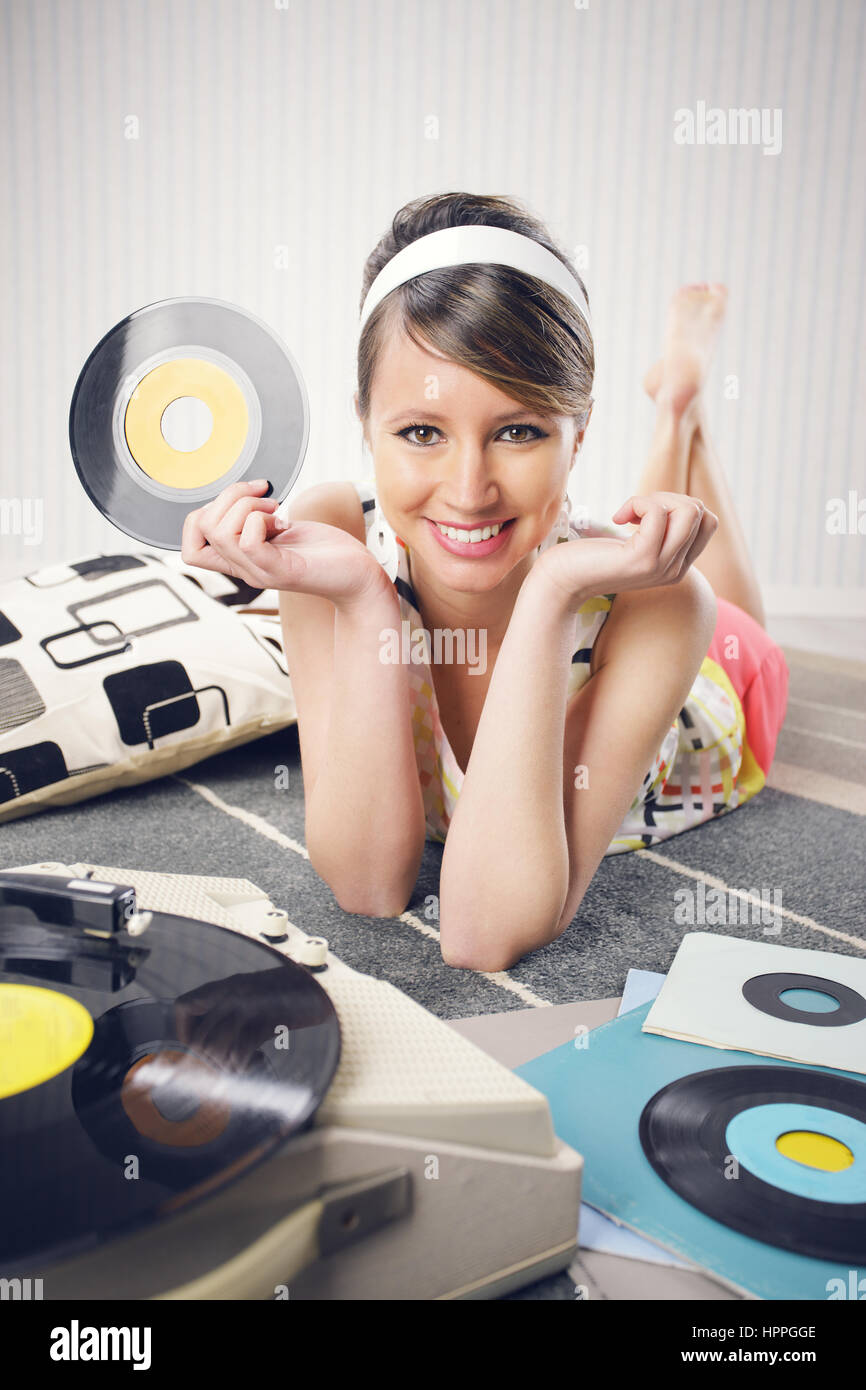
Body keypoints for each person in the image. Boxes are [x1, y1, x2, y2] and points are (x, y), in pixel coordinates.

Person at [181, 192, 789, 974]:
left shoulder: (663, 606)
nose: (469, 490)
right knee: (653, 543)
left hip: (709, 674)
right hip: (592, 571)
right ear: (365, 422)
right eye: (422, 432)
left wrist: (551, 596)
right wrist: (366, 600)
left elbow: (482, 932)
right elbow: (367, 885)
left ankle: (682, 414)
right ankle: (679, 408)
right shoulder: (332, 534)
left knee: (723, 599)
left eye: (519, 431)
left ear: (581, 433)